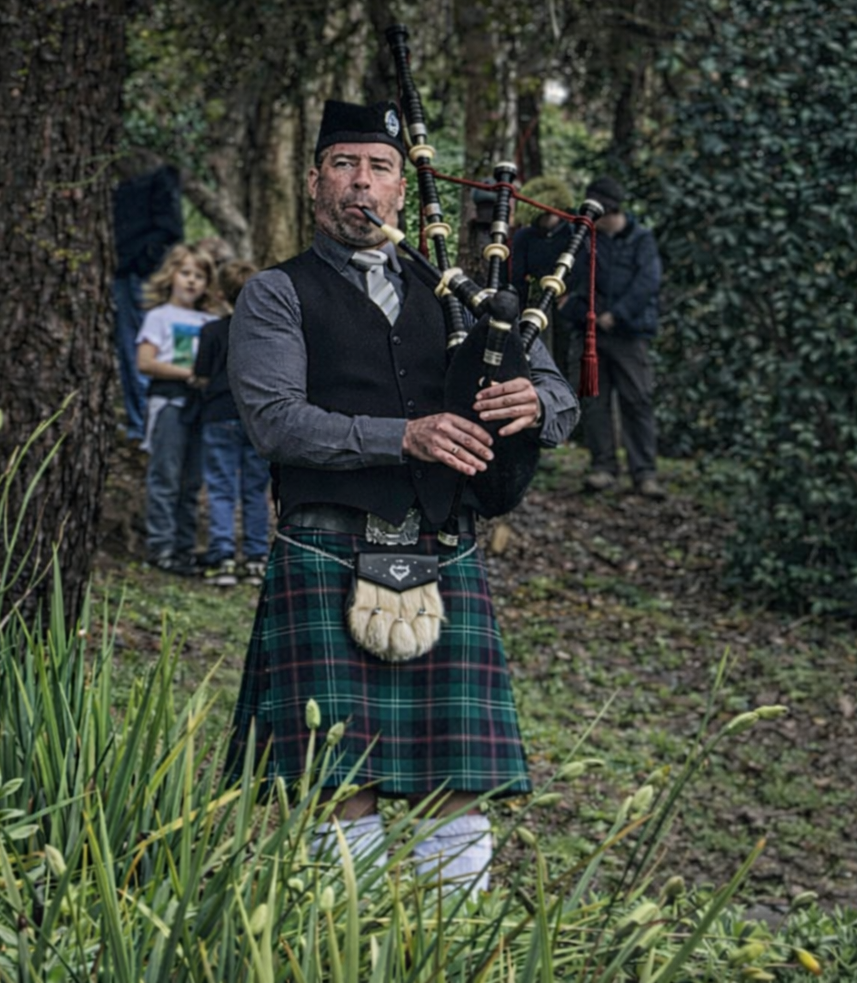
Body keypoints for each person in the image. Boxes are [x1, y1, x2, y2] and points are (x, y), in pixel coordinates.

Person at [226, 100, 579, 891]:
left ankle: (450, 948)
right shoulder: (277, 294)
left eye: (380, 167)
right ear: (315, 181)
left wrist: (539, 407)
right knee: (336, 779)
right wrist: (405, 436)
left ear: (402, 189)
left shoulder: (465, 294)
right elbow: (278, 423)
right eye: (345, 165)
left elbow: (558, 397)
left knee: (461, 783)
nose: (363, 184)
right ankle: (341, 949)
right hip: (326, 544)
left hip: (441, 545)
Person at [563, 175, 663, 499]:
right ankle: (603, 467)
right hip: (589, 334)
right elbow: (576, 280)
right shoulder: (584, 237)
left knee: (637, 400)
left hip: (628, 334)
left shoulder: (641, 239)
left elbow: (648, 282)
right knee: (594, 402)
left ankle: (644, 472)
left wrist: (616, 314)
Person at [136, 243, 221, 574]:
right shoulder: (158, 317)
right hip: (170, 402)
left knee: (192, 480)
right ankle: (161, 546)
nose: (191, 282)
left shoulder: (209, 320)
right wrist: (190, 374)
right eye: (185, 273)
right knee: (166, 475)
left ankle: (185, 548)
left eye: (199, 276)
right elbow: (145, 362)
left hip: (201, 406)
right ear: (171, 275)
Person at [195, 260, 272, 587]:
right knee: (256, 490)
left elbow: (200, 375)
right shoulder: (266, 332)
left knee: (221, 488)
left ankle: (223, 556)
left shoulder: (212, 331)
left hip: (219, 414)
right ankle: (256, 558)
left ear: (220, 294)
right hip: (256, 417)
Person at [111, 156, 184, 440]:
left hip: (141, 273)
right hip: (130, 271)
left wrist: (143, 261)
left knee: (145, 347)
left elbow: (170, 228)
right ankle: (141, 424)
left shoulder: (158, 177)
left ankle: (148, 426)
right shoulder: (126, 179)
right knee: (135, 348)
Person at [510, 175, 575, 365]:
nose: (546, 219)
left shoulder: (572, 234)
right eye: (542, 215)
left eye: (550, 214)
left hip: (567, 301)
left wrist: (571, 294)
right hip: (536, 301)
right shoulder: (525, 237)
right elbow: (516, 275)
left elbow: (584, 269)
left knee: (566, 351)